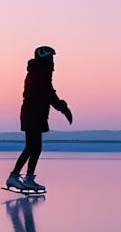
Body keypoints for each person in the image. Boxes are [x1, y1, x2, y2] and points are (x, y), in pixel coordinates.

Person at [6, 46, 72, 192]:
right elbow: (48, 94)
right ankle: (14, 176)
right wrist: (63, 108)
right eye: (51, 58)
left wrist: (61, 107)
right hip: (32, 114)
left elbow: (49, 93)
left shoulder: (42, 73)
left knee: (35, 148)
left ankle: (28, 178)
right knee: (32, 147)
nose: (53, 62)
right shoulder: (39, 73)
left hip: (36, 113)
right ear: (44, 59)